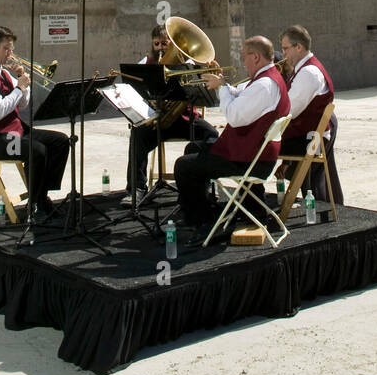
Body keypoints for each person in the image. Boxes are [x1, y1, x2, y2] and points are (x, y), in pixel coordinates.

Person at [173, 36, 290, 235]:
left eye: (244, 57)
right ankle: (208, 207)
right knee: (194, 148)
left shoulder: (264, 85)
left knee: (183, 165)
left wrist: (220, 88)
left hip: (249, 160)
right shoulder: (268, 78)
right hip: (254, 154)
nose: (242, 61)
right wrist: (223, 84)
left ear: (255, 57)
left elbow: (234, 116)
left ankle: (201, 221)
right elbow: (243, 96)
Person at [0, 25, 70, 219]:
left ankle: (41, 197)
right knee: (37, 150)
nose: (10, 54)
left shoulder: (5, 74)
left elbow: (22, 104)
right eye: (6, 49)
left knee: (61, 142)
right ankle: (35, 205)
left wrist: (22, 82)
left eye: (11, 49)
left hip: (16, 132)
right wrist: (18, 89)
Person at [122, 26, 217, 202]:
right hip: (159, 120)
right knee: (137, 135)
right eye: (156, 43)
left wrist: (208, 74)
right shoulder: (146, 63)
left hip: (185, 119)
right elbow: (135, 92)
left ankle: (207, 183)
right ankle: (136, 189)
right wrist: (147, 100)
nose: (160, 47)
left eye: (164, 43)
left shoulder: (188, 64)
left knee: (211, 135)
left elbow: (203, 92)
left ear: (172, 44)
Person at [277, 25, 343, 205]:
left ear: (298, 47)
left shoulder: (308, 72)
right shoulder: (303, 69)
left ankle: (252, 203)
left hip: (310, 138)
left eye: (285, 48)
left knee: (257, 146)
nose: (283, 54)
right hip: (310, 133)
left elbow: (287, 111)